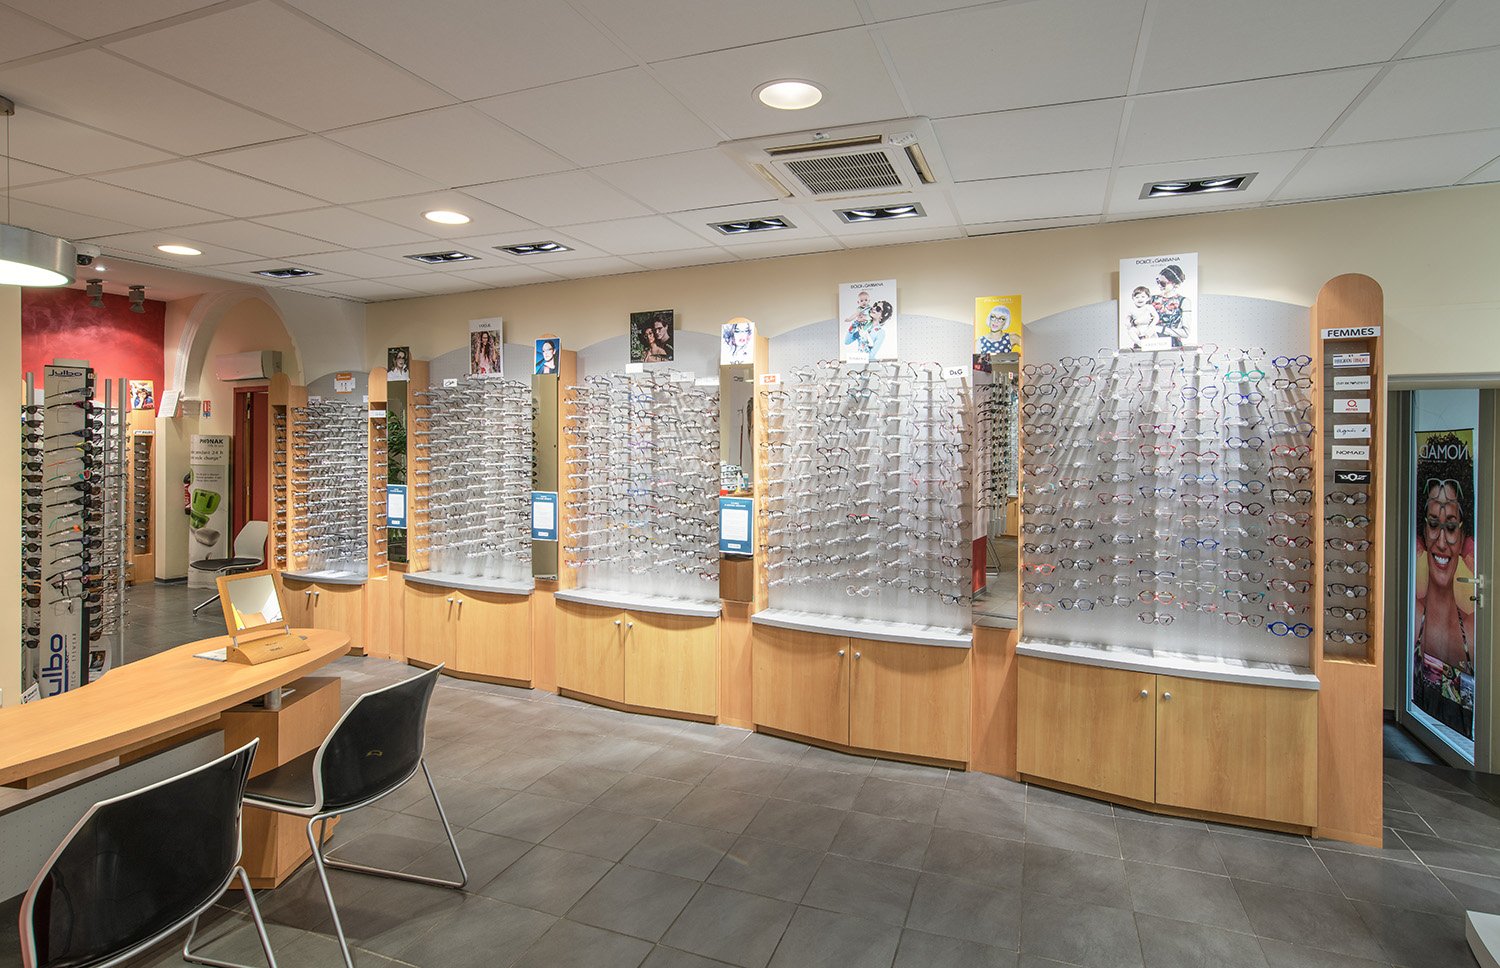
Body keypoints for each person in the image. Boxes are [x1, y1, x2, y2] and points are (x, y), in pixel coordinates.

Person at [1415, 469, 1476, 671]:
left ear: (1464, 535)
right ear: (1423, 532)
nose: (1441, 543)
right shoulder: (1411, 618)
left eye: (1451, 528)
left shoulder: (1474, 632)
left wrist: (1470, 554)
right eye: (1433, 525)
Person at [1151, 265, 1192, 347]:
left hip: (1172, 345)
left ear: (1174, 284)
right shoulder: (1151, 299)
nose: (1159, 285)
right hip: (1151, 343)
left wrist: (1162, 329)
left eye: (1163, 283)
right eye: (1158, 281)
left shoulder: (1183, 301)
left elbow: (1186, 333)